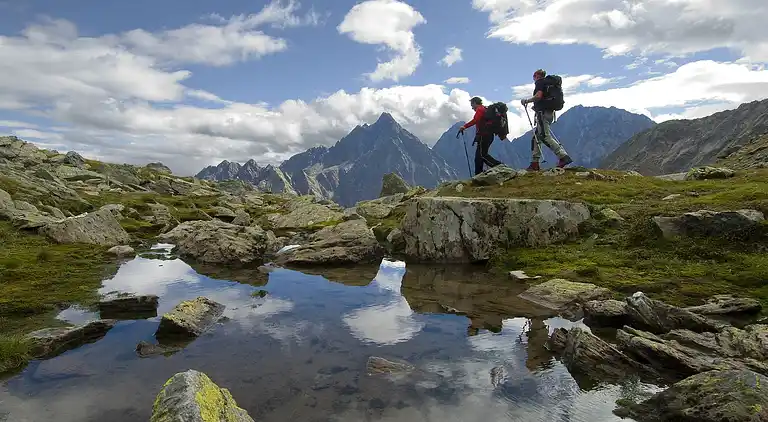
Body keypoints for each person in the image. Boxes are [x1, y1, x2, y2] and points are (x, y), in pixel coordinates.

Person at [521, 69, 573, 171]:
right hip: (549, 113)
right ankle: (534, 163)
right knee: (536, 137)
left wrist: (527, 101)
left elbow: (538, 96)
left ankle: (563, 156)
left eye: (534, 76)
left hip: (542, 113)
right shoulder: (549, 85)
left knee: (545, 136)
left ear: (536, 75)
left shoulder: (540, 82)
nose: (533, 78)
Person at [458, 96, 503, 175]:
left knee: (482, 155)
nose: (472, 108)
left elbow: (476, 120)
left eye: (472, 105)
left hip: (484, 135)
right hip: (488, 135)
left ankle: (499, 166)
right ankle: (478, 174)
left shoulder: (480, 109)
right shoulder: (484, 109)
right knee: (478, 157)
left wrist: (465, 126)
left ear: (475, 103)